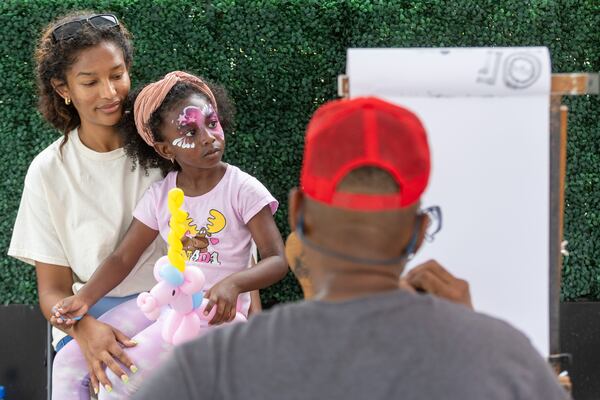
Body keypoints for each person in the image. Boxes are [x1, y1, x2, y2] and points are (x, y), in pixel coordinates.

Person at [132, 97, 569, 400]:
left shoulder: (213, 364)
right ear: (418, 232)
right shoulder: (504, 360)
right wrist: (475, 341)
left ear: (299, 213)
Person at [53, 71, 289, 398]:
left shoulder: (242, 190)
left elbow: (278, 259)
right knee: (67, 363)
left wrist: (234, 284)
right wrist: (83, 299)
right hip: (167, 301)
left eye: (211, 122)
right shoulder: (161, 195)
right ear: (165, 149)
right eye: (189, 132)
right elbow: (123, 257)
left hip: (212, 315)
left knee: (117, 378)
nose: (208, 137)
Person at [7, 11, 166, 398]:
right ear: (64, 88)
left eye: (116, 74)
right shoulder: (49, 171)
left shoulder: (166, 147)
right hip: (88, 316)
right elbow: (53, 290)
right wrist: (85, 331)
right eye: (90, 81)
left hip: (168, 308)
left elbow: (225, 237)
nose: (110, 92)